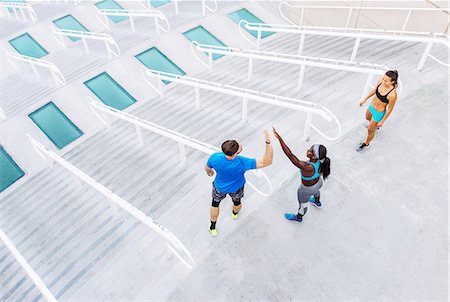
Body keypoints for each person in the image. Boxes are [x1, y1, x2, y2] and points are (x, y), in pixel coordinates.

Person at [205, 129, 273, 236]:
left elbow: (207, 167)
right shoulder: (242, 162)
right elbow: (267, 161)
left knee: (215, 204)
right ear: (236, 153)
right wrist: (268, 142)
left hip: (219, 187)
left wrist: (209, 172)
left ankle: (212, 226)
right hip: (237, 188)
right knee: (237, 202)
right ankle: (234, 213)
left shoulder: (215, 157)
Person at [273, 127, 330, 223]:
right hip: (318, 183)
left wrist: (279, 138)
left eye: (310, 150)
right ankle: (317, 202)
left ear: (313, 156)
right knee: (316, 191)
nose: (308, 150)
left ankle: (299, 217)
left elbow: (290, 155)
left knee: (303, 205)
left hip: (306, 189)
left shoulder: (306, 167)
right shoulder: (321, 161)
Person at [357, 70, 399, 152]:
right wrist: (365, 99)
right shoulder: (380, 81)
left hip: (378, 113)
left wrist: (382, 121)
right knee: (367, 118)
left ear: (392, 82)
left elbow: (390, 109)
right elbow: (374, 90)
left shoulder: (392, 95)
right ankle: (374, 126)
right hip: (371, 107)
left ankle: (366, 143)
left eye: (386, 81)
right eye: (383, 79)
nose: (383, 81)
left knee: (370, 130)